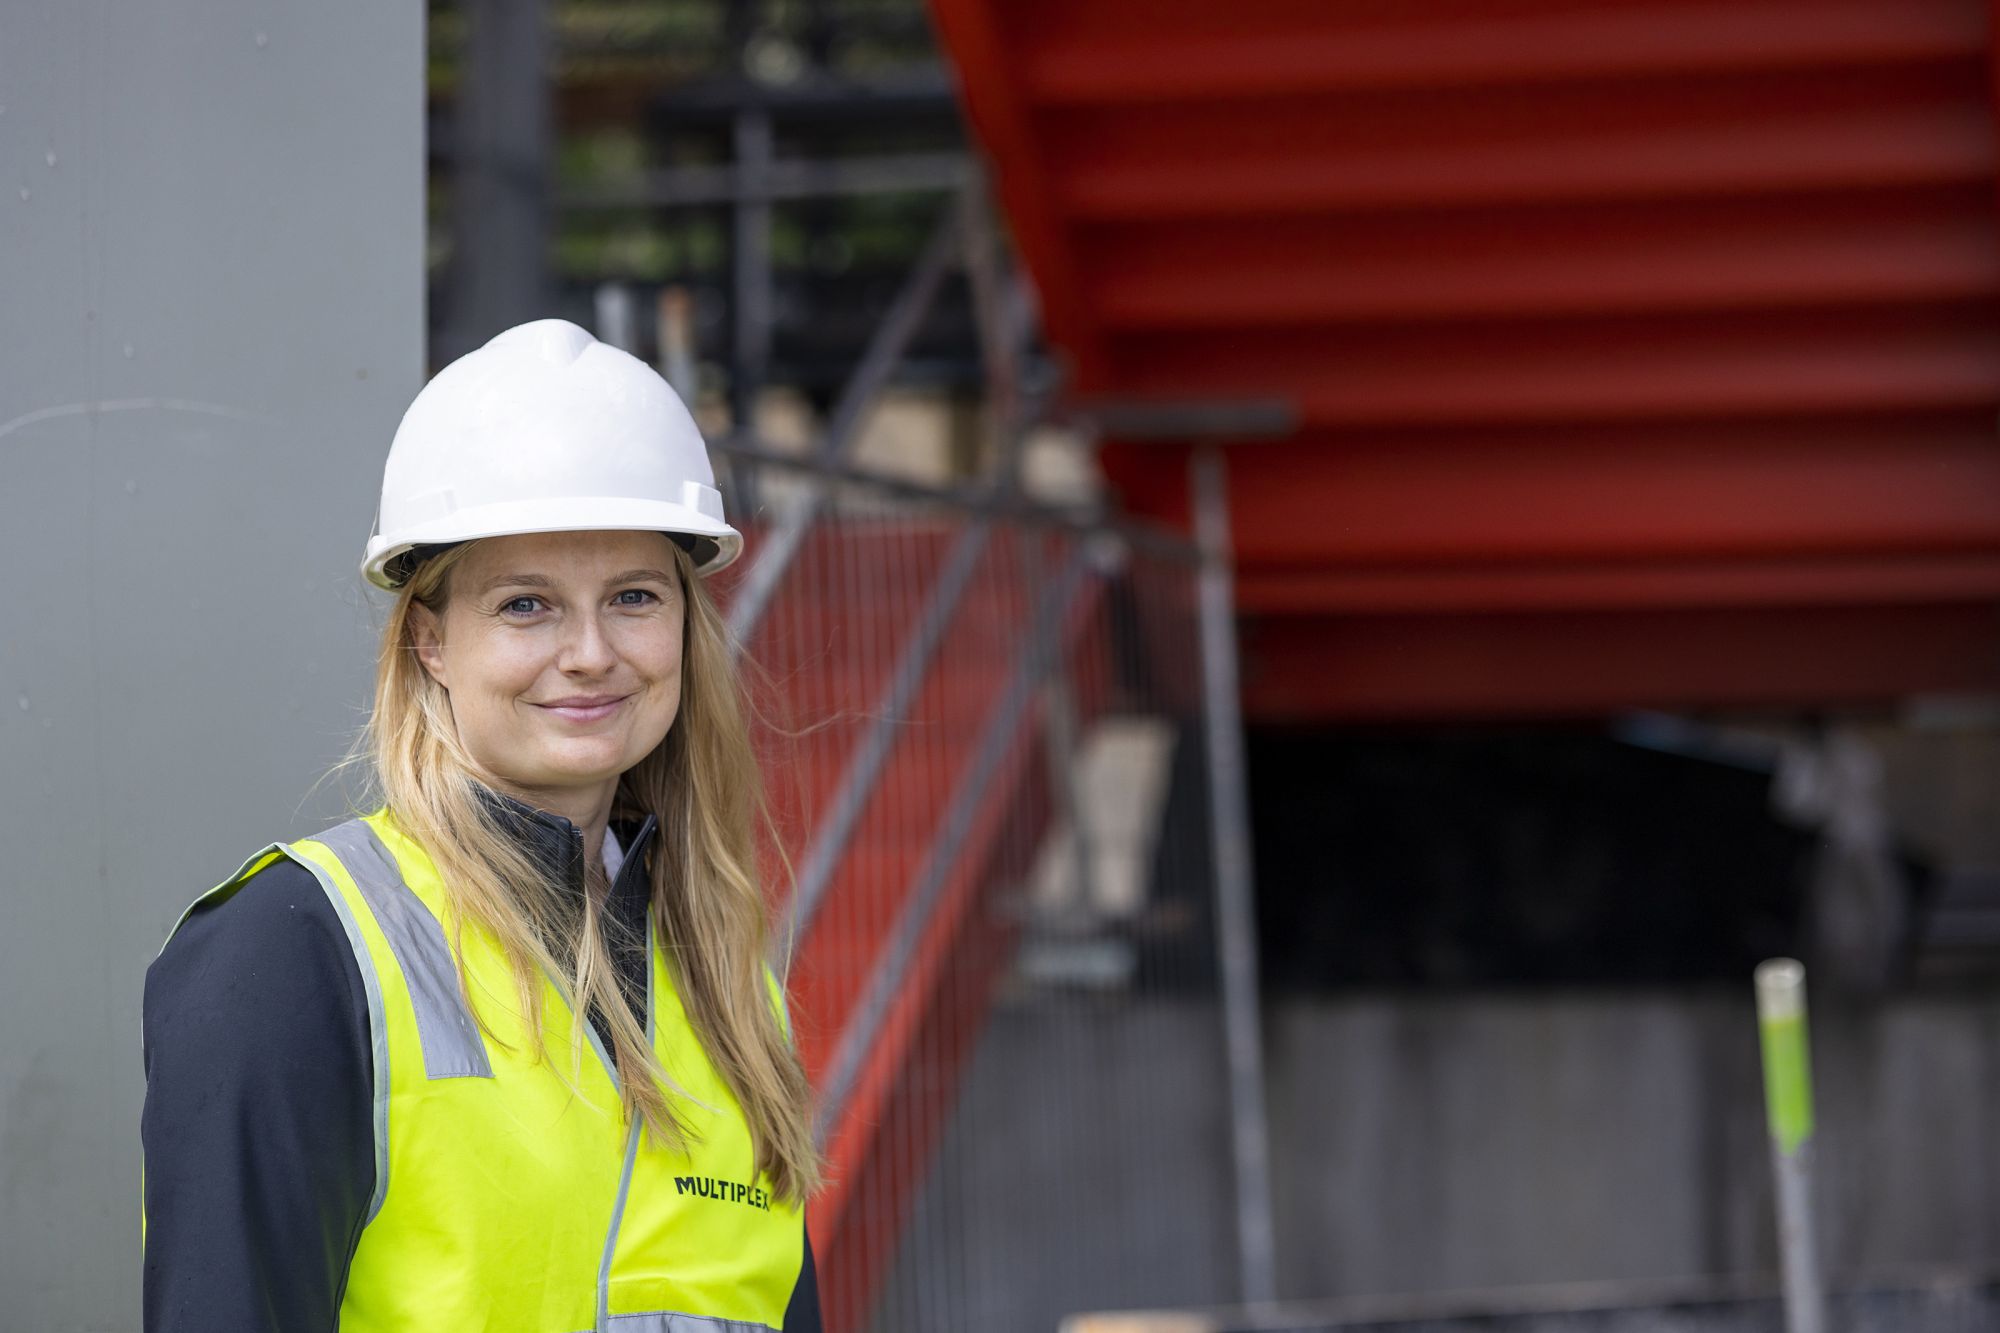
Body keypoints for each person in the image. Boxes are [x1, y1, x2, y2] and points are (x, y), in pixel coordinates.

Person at [140, 318, 823, 1332]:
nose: (590, 652)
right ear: (430, 642)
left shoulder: (728, 984)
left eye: (632, 596)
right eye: (525, 606)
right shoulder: (294, 949)